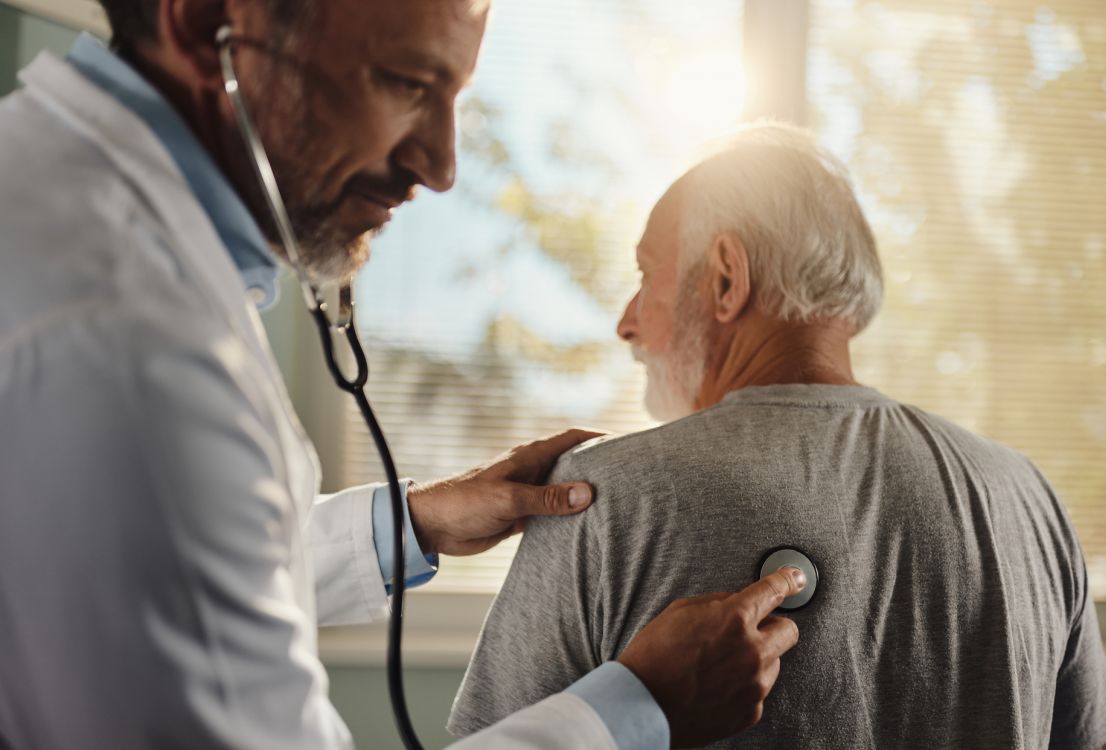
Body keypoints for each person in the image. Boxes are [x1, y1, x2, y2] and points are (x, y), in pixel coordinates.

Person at [0, 1, 807, 748]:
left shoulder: (73, 218)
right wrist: (640, 709)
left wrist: (412, 525)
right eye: (405, 82)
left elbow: (175, 571)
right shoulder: (122, 343)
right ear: (209, 21)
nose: (442, 164)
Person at [450, 124, 1106, 748]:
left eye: (645, 274)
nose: (627, 322)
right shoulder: (1027, 496)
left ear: (725, 277)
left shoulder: (591, 498)